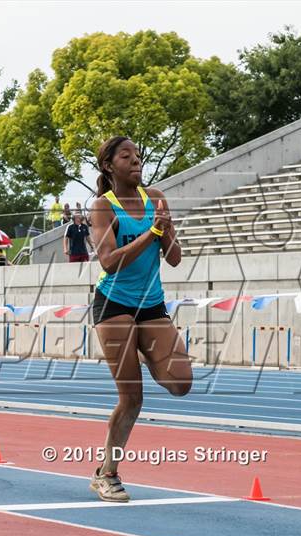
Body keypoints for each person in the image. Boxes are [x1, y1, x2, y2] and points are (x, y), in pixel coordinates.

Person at [89, 136, 192, 502]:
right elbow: (109, 261)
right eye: (126, 156)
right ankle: (107, 474)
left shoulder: (157, 198)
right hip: (114, 303)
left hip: (151, 304)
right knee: (132, 398)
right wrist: (151, 232)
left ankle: (145, 350)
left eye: (138, 156)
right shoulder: (103, 207)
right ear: (108, 165)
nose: (136, 161)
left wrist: (166, 234)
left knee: (181, 382)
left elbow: (175, 258)